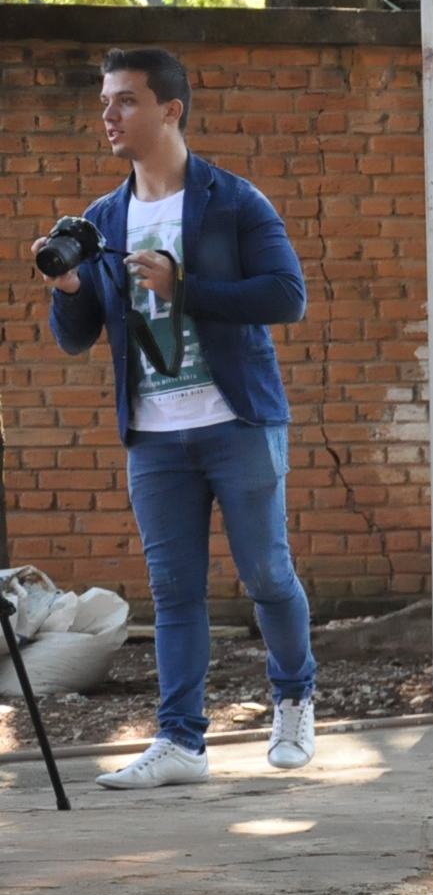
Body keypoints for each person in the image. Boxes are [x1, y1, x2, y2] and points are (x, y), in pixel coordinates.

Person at [33, 47, 317, 789]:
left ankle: (293, 699)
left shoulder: (232, 201)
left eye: (125, 101)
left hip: (238, 422)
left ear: (170, 110)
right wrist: (66, 286)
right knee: (175, 593)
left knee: (266, 576)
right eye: (105, 103)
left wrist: (185, 286)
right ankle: (182, 743)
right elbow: (77, 337)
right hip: (154, 434)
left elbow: (287, 297)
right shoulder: (102, 219)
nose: (109, 116)